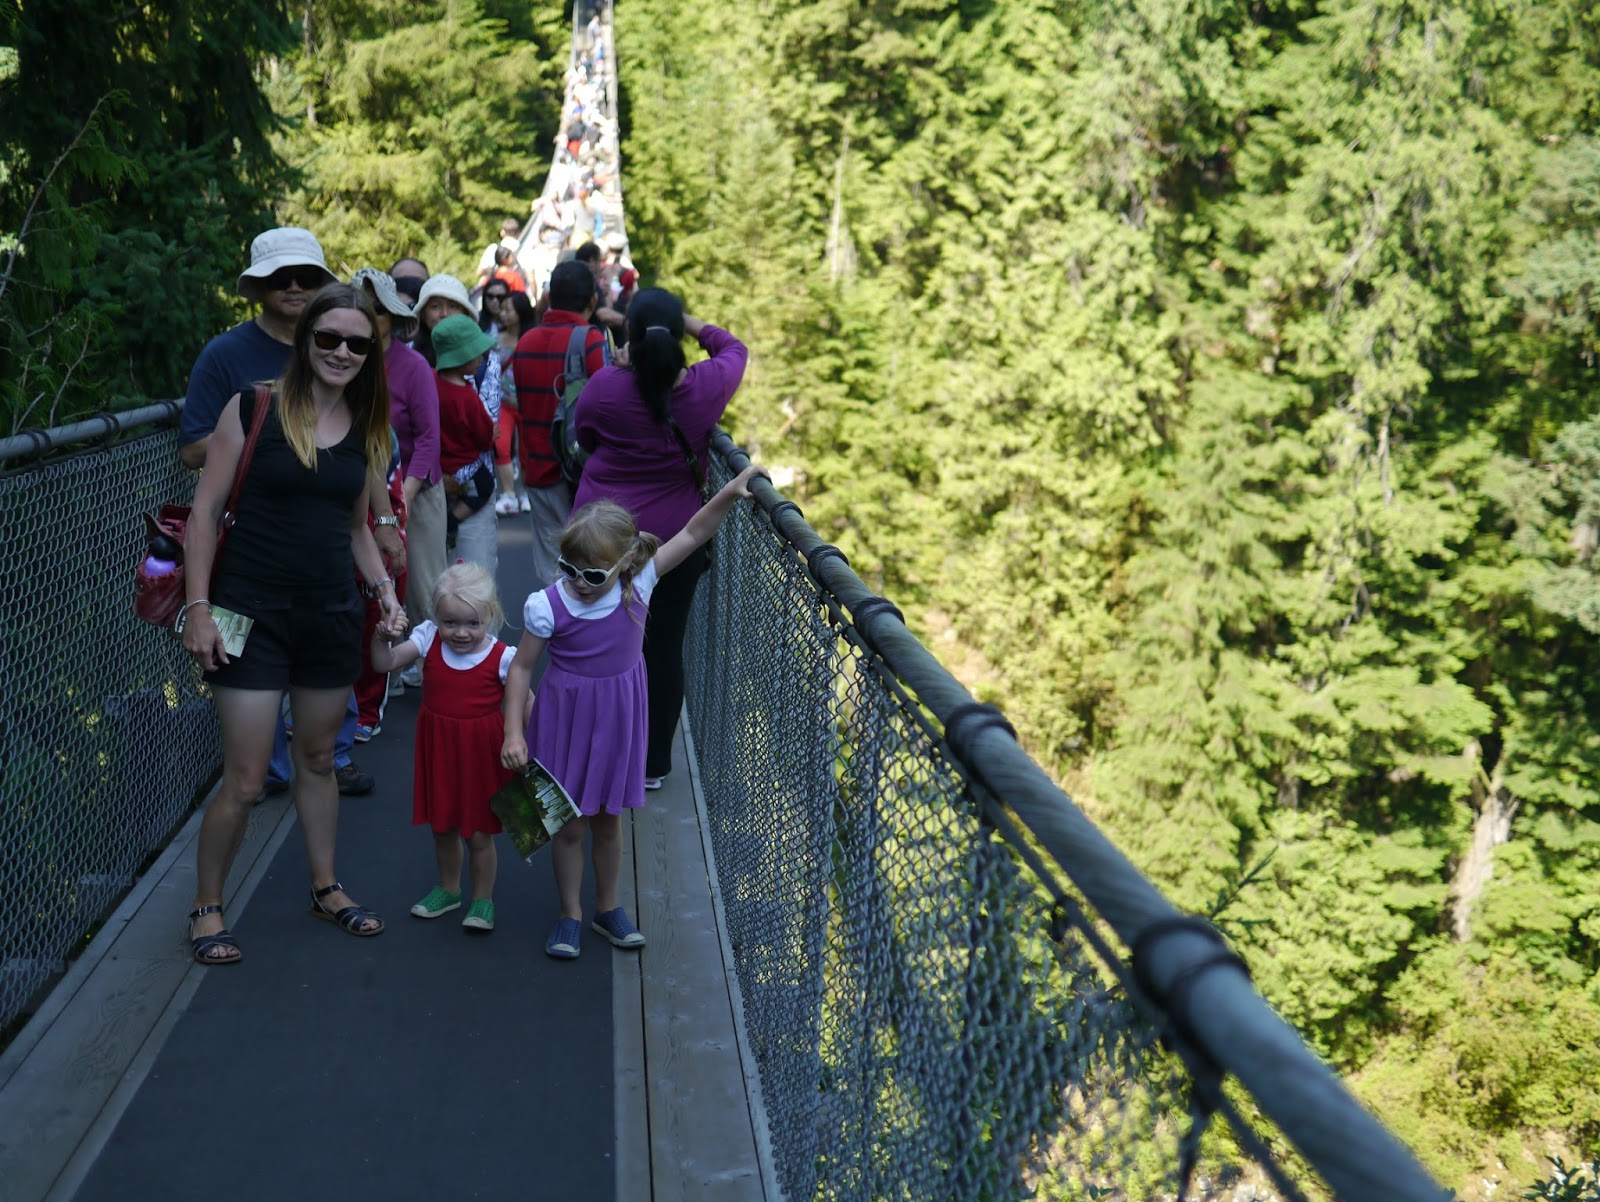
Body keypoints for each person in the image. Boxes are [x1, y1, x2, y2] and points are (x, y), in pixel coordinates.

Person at [179, 283, 406, 964]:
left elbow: (357, 527)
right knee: (247, 777)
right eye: (328, 338)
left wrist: (384, 593)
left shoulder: (369, 427)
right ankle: (207, 905)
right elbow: (203, 514)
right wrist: (197, 610)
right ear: (306, 339)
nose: (341, 352)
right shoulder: (253, 406)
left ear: (372, 354)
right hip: (245, 611)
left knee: (317, 758)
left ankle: (326, 886)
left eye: (357, 343)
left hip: (330, 612)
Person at [501, 467, 768, 959]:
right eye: (569, 568)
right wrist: (513, 732)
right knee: (567, 822)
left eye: (594, 575)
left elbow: (693, 532)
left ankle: (607, 908)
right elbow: (520, 670)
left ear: (626, 563)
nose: (579, 583)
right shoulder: (548, 604)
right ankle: (569, 915)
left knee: (608, 820)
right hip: (564, 720)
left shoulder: (640, 583)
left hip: (617, 720)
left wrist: (729, 492)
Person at [181, 227, 381, 797]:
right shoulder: (227, 358)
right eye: (280, 278)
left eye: (307, 277)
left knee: (319, 729)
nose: (294, 287)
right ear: (258, 287)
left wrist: (383, 524)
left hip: (321, 578)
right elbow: (194, 445)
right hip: (243, 570)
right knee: (250, 758)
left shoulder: (350, 355)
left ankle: (328, 761)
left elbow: (363, 455)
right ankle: (256, 789)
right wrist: (265, 434)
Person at [571, 289, 748, 791]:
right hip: (675, 543)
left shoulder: (605, 386)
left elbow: (585, 438)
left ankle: (595, 747)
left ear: (629, 337)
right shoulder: (704, 386)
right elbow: (734, 347)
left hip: (601, 538)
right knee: (663, 647)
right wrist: (685, 322)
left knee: (597, 639)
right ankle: (651, 765)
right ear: (675, 337)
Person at [371, 563, 514, 933]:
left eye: (472, 623)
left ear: (490, 615)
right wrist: (380, 637)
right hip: (442, 749)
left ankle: (483, 899)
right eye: (450, 623)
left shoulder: (502, 657)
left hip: (482, 754)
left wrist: (523, 739)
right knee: (443, 826)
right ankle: (449, 889)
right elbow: (383, 663)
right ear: (436, 617)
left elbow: (526, 705)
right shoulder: (427, 638)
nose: (461, 633)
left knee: (479, 832)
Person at [350, 267, 440, 737]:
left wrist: (397, 503)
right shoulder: (341, 358)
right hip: (352, 493)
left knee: (403, 591)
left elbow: (427, 437)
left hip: (404, 487)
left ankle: (376, 697)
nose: (370, 317)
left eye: (380, 310)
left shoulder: (412, 367)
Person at [510, 260, 611, 588]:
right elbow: (607, 404)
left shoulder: (525, 343)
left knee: (551, 568)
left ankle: (551, 630)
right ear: (592, 301)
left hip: (537, 471)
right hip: (579, 475)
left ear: (550, 297)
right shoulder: (591, 339)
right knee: (587, 566)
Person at [431, 314, 499, 575]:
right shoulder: (467, 397)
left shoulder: (432, 383)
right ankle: (452, 521)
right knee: (484, 486)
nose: (481, 358)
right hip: (464, 464)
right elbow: (484, 438)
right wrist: (491, 433)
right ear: (462, 358)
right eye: (476, 354)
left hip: (442, 463)